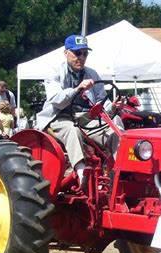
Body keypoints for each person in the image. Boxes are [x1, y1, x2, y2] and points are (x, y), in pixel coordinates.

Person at [36, 34, 123, 183]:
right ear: (66, 53)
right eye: (77, 53)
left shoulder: (92, 74)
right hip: (59, 117)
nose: (81, 57)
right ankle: (82, 172)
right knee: (72, 130)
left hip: (86, 118)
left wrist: (113, 106)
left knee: (114, 128)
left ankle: (120, 170)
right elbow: (56, 100)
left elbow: (102, 100)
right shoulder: (55, 73)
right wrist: (77, 89)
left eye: (84, 53)